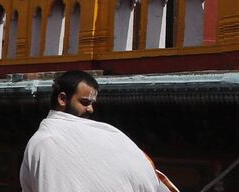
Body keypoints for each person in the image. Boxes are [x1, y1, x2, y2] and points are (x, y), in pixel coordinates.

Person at [20, 70, 175, 192]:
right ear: (62, 99)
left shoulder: (106, 134)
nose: (91, 109)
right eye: (85, 102)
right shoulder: (46, 142)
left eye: (92, 103)